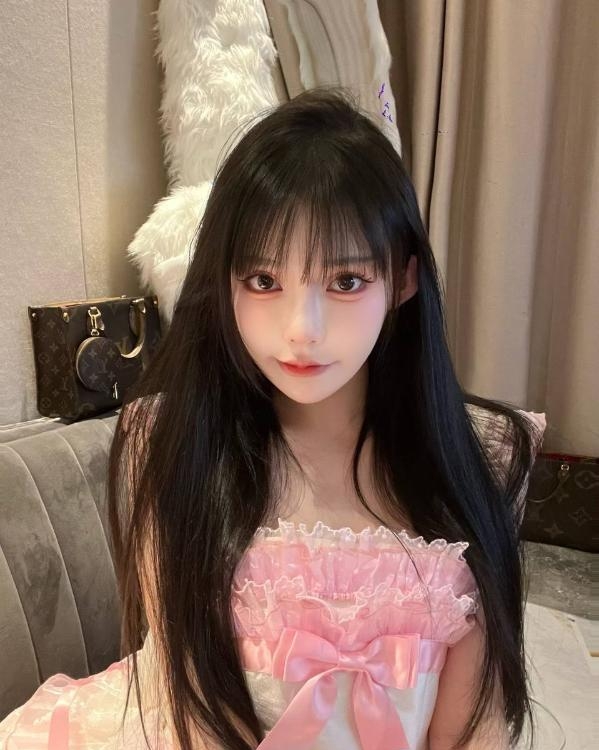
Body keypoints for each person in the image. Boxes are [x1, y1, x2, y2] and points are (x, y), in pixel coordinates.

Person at [0, 86, 546, 750]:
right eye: (263, 281)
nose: (300, 330)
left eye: (345, 281)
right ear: (223, 281)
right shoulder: (167, 437)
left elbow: (474, 726)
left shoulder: (489, 450)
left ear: (402, 281)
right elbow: (190, 699)